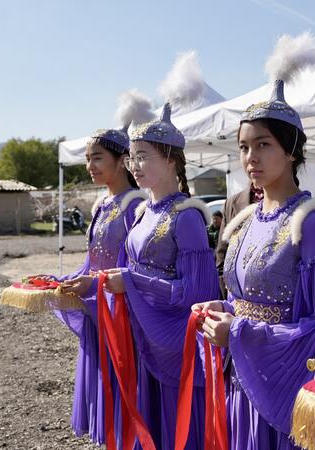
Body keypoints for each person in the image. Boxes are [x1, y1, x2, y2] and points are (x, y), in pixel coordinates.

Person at [191, 33, 315, 450]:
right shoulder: (245, 220)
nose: (251, 158)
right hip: (245, 379)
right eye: (245, 147)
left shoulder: (312, 222)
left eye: (263, 145)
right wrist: (223, 310)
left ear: (292, 151)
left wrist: (241, 333)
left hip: (286, 390)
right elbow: (252, 301)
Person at [94, 86, 221, 448]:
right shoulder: (140, 212)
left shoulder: (188, 217)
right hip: (141, 333)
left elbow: (197, 296)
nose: (134, 166)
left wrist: (133, 283)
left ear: (171, 160)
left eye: (143, 156)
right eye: (132, 158)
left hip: (174, 344)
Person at [29, 104, 147, 445]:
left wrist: (95, 284)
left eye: (97, 157)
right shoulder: (102, 205)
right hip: (100, 313)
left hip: (123, 319)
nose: (89, 165)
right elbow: (92, 264)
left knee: (126, 390)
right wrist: (57, 282)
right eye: (87, 158)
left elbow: (136, 269)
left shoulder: (136, 206)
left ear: (121, 160)